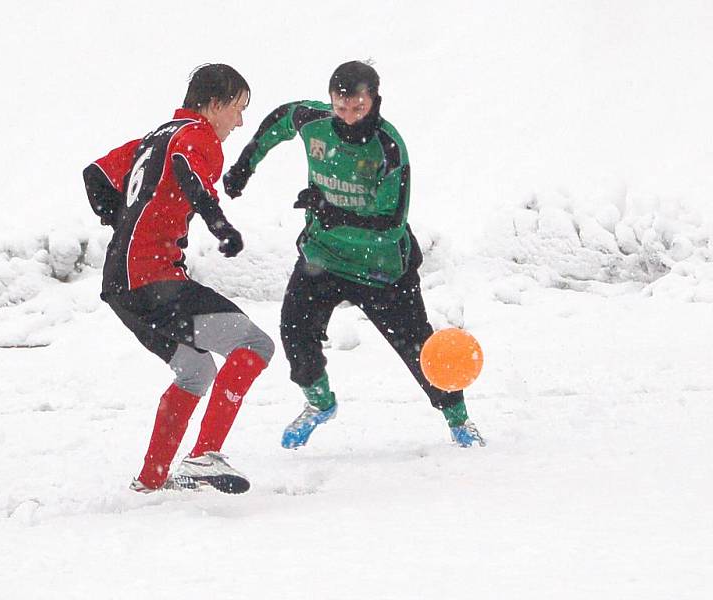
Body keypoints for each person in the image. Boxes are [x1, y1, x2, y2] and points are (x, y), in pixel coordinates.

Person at [222, 60, 484, 449]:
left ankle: (460, 421)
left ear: (375, 101)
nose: (347, 119)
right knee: (295, 333)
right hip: (323, 258)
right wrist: (245, 166)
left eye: (358, 109)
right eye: (340, 109)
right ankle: (320, 403)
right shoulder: (315, 121)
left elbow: (391, 223)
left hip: (383, 271)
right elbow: (281, 119)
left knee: (421, 353)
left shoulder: (389, 147)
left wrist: (332, 213)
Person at [83, 64, 274, 494]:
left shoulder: (154, 137)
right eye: (239, 110)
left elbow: (94, 174)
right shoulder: (198, 136)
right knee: (256, 345)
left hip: (120, 283)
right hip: (153, 278)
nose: (239, 123)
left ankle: (151, 481)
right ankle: (204, 455)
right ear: (214, 104)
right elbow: (188, 170)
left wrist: (123, 222)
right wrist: (219, 224)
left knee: (194, 368)